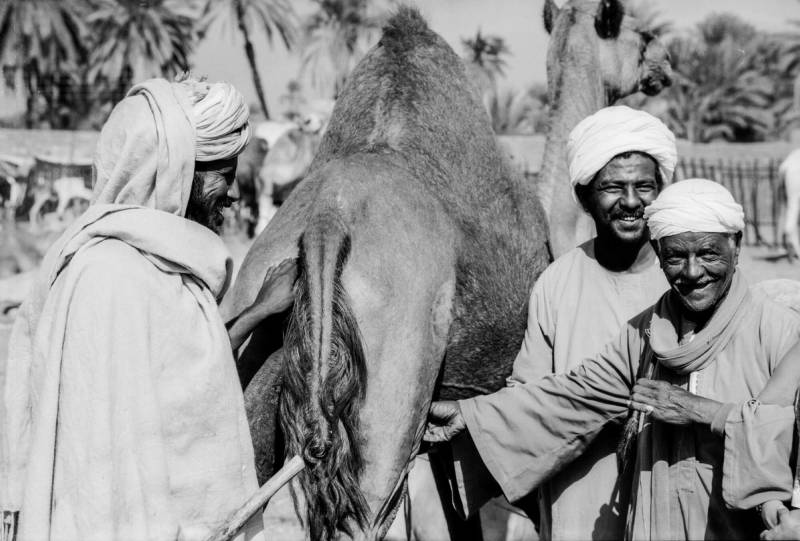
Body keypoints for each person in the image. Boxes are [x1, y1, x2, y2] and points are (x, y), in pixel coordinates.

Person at [426, 178, 800, 540]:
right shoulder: (645, 332)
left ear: (737, 245)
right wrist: (472, 414)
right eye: (675, 257)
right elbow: (578, 394)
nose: (691, 272)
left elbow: (783, 434)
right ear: (657, 252)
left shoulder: (780, 332)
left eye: (707, 253)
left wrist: (700, 411)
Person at [1, 76, 264, 541]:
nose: (234, 193)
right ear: (178, 171)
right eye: (224, 172)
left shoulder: (163, 269)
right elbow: (102, 488)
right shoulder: (111, 278)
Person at [448, 105, 676, 540]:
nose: (631, 202)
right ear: (584, 196)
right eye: (613, 187)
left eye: (644, 186)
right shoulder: (558, 282)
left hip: (668, 477)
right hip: (578, 489)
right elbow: (528, 395)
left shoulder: (686, 277)